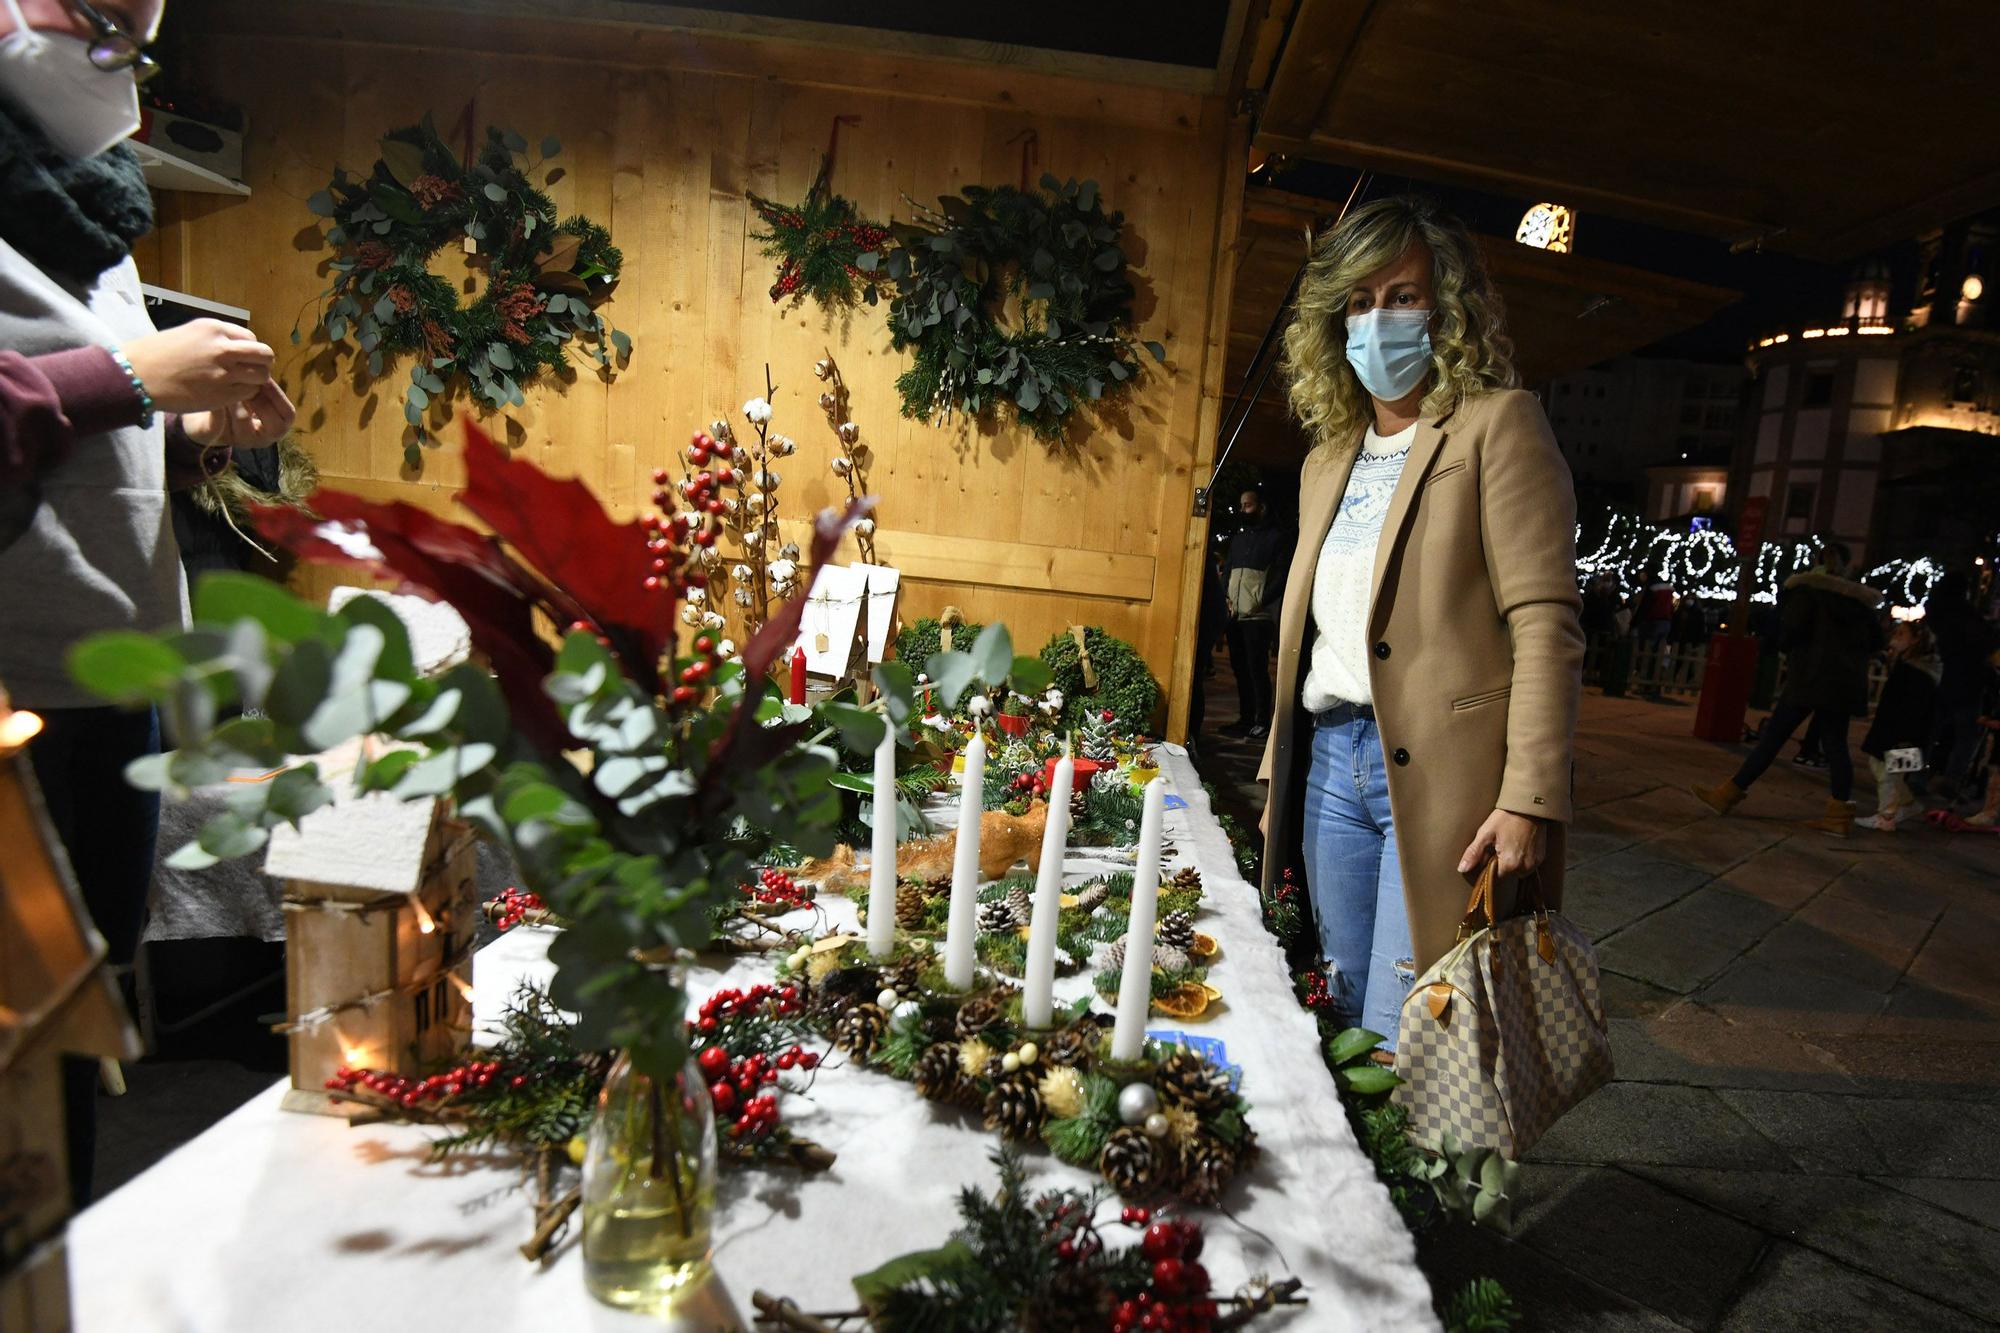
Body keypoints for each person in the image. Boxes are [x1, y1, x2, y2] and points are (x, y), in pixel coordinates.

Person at [0, 0, 296, 1204]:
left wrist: (186, 432)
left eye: (134, 33)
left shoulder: (99, 217)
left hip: (113, 684)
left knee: (70, 1037)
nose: (110, 52)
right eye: (91, 17)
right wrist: (126, 375)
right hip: (16, 707)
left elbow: (77, 430)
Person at [1255, 196, 1582, 1050]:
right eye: (1358, 303)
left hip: (1450, 781)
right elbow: (1318, 634)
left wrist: (1531, 796)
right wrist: (1276, 773)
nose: (1378, 320)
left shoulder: (1497, 426)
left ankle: (1426, 1183)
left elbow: (1547, 621)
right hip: (1330, 763)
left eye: (1401, 296)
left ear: (1447, 307)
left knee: (1423, 1023)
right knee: (1337, 998)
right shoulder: (1328, 457)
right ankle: (1354, 1181)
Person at [1691, 543, 1883, 836]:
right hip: (1842, 682)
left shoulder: (1808, 592)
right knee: (1836, 745)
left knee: (1773, 738)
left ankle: (1728, 794)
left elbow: (1791, 631)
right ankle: (1839, 814)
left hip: (1809, 677)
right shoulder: (1859, 602)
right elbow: (1876, 642)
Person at [1856, 620, 1939, 831]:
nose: (1896, 637)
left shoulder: (1918, 672)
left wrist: (1904, 737)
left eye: (1902, 634)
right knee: (1883, 767)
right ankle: (1908, 805)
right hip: (1898, 730)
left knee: (1889, 772)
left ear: (1916, 640)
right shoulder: (1911, 666)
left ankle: (1887, 816)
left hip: (1903, 733)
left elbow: (1914, 707)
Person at [1927, 571, 1998, 804]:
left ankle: (1912, 774)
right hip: (1968, 680)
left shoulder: (1937, 614)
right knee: (1966, 736)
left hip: (1940, 676)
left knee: (1929, 731)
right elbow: (1985, 642)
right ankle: (1952, 778)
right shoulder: (1967, 616)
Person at [1222, 486, 1287, 740]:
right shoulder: (1239, 539)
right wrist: (1226, 597)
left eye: (1247, 505)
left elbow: (1280, 575)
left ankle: (1262, 720)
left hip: (1258, 618)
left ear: (1261, 507)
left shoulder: (1276, 538)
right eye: (1241, 506)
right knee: (1240, 669)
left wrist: (1260, 601)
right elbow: (1228, 570)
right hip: (1236, 615)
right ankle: (1246, 718)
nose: (1243, 510)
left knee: (1257, 670)